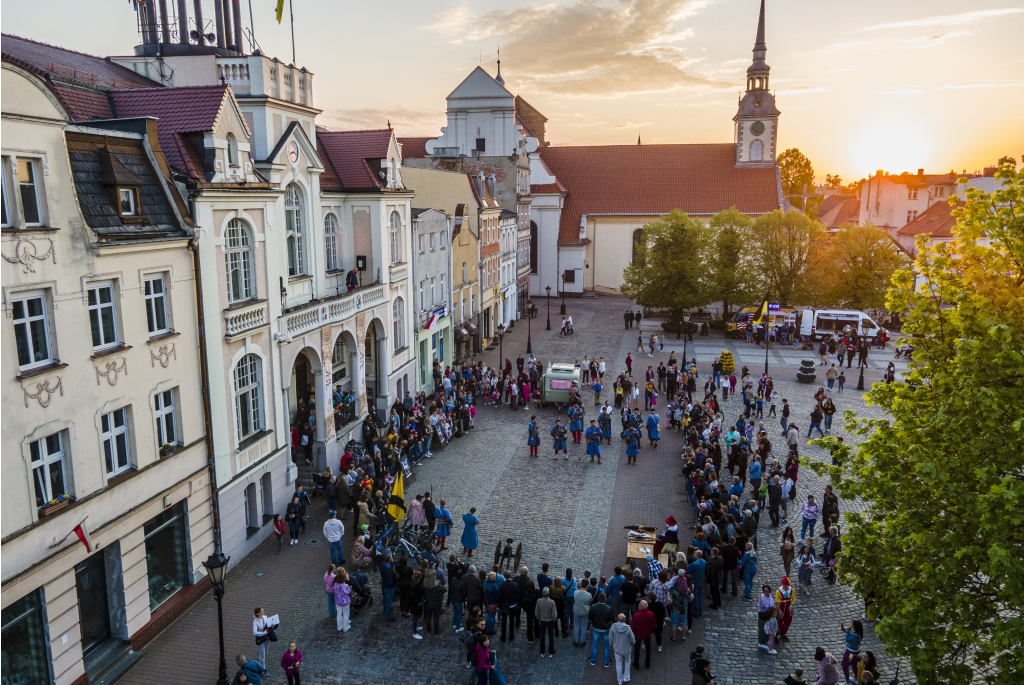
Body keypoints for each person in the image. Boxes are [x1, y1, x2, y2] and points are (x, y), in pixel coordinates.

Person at [588, 591, 614, 666]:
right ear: (605, 599)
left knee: (595, 644)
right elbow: (612, 619)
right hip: (606, 629)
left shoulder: (593, 607)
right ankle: (606, 662)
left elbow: (589, 617)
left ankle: (592, 660)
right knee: (606, 645)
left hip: (596, 628)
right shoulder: (609, 608)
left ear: (598, 598)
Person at [610, 614, 636, 685]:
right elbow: (632, 639)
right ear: (625, 620)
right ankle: (626, 677)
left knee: (618, 664)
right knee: (627, 662)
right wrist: (632, 643)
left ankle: (620, 680)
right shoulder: (628, 628)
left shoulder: (613, 627)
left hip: (617, 649)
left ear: (617, 619)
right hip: (627, 649)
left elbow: (610, 636)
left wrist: (611, 643)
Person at [631, 600, 656, 670]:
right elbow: (654, 626)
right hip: (647, 634)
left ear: (641, 606)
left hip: (638, 634)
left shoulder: (636, 615)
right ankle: (647, 664)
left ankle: (636, 664)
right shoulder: (651, 614)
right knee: (648, 649)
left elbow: (632, 626)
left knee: (636, 649)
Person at [536, 586, 558, 657]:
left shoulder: (539, 601)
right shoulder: (552, 602)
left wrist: (539, 617)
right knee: (551, 637)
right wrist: (554, 619)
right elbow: (554, 613)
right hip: (550, 621)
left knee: (542, 636)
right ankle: (551, 652)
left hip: (542, 620)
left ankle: (542, 652)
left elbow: (536, 612)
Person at [252, 607, 272, 675]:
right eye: (261, 611)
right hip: (260, 639)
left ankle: (260, 661)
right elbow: (254, 632)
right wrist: (263, 633)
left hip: (266, 638)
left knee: (265, 651)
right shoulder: (255, 621)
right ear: (257, 613)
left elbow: (268, 625)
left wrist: (272, 626)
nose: (263, 612)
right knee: (262, 655)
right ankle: (263, 669)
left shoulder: (265, 617)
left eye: (263, 611)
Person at [573, 577, 593, 646]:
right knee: (584, 627)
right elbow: (589, 602)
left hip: (577, 610)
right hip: (585, 611)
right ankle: (582, 641)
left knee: (577, 626)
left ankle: (576, 640)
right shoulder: (588, 595)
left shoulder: (575, 592)